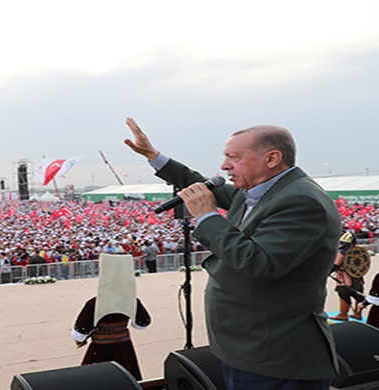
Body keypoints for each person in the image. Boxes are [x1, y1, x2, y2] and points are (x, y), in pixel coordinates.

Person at [124, 117, 342, 389]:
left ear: (272, 158)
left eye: (233, 157)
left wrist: (206, 216)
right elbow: (201, 184)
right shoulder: (258, 190)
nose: (224, 166)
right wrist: (154, 157)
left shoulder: (301, 200)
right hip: (247, 347)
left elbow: (261, 263)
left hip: (275, 355)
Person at [71, 253, 151, 380]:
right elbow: (142, 323)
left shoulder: (94, 303)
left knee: (96, 380)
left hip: (100, 348)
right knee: (126, 376)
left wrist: (81, 338)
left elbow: (81, 328)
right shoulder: (131, 300)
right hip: (124, 348)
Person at [330, 232, 366, 321]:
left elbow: (335, 265)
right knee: (358, 295)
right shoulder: (357, 250)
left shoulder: (341, 253)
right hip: (358, 278)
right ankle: (358, 314)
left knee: (343, 294)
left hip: (345, 279)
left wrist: (326, 272)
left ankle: (343, 314)